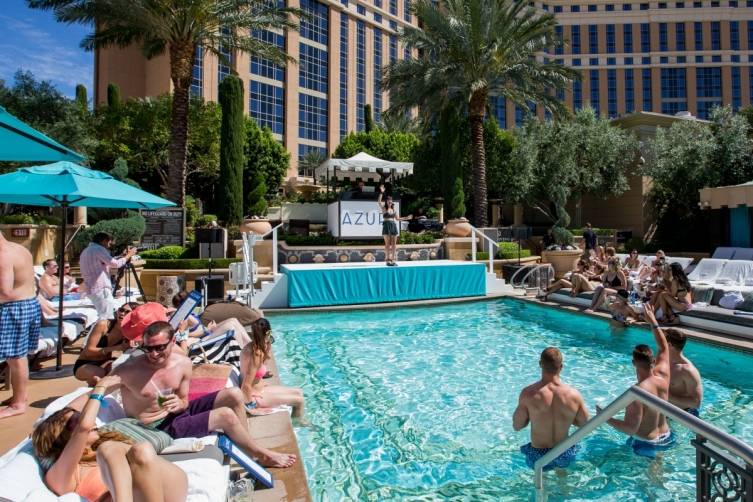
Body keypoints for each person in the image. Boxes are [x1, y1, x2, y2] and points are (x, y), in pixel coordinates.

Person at [111, 321, 296, 468]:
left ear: (173, 342)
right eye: (148, 348)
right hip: (158, 426)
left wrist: (180, 403)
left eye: (160, 347)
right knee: (225, 415)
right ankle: (261, 455)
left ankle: (247, 446)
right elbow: (100, 388)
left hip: (178, 414)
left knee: (234, 394)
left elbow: (184, 401)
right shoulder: (128, 370)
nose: (153, 354)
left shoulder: (182, 363)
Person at [32, 375, 188, 501]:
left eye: (81, 416)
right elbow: (84, 426)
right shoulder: (59, 475)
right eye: (75, 421)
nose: (90, 420)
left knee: (136, 449)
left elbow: (75, 415)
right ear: (59, 437)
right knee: (135, 450)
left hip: (171, 487)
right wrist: (100, 388)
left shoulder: (108, 452)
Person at [599, 303, 675, 458]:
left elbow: (630, 428)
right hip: (667, 436)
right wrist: (653, 321)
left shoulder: (637, 393)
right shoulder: (662, 377)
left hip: (646, 443)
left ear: (633, 363)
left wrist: (605, 417)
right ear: (653, 361)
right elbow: (664, 347)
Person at [513, 347, 589, 470]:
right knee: (563, 476)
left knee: (541, 479)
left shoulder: (528, 394)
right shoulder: (574, 395)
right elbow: (584, 424)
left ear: (540, 364)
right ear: (561, 366)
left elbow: (517, 426)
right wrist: (567, 418)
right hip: (565, 451)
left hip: (538, 453)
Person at [0, 229, 42, 419]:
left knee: (15, 358)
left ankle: (18, 404)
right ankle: (20, 397)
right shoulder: (19, 248)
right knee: (18, 356)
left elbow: (5, 293)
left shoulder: (2, 256)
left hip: (14, 308)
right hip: (29, 304)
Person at [79, 232, 137, 368]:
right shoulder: (98, 249)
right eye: (110, 242)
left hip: (93, 288)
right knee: (106, 318)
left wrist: (122, 256)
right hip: (100, 288)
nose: (110, 245)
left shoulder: (87, 251)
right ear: (104, 240)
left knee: (103, 316)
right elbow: (115, 264)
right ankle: (90, 344)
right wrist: (128, 255)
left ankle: (89, 343)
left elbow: (107, 262)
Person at [240, 318, 305, 419]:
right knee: (299, 401)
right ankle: (299, 423)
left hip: (259, 389)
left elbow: (254, 369)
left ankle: (297, 420)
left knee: (299, 392)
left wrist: (267, 347)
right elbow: (245, 386)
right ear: (268, 333)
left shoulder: (253, 346)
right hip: (254, 396)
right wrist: (252, 408)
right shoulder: (256, 353)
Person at [74, 302, 137, 385]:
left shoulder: (128, 331)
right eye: (121, 310)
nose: (122, 313)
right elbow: (88, 351)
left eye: (127, 312)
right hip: (85, 363)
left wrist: (130, 344)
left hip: (105, 362)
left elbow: (127, 354)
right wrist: (116, 348)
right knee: (100, 374)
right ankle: (93, 386)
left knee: (122, 371)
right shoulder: (104, 325)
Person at [664, 328, 703, 417]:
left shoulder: (687, 370)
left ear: (669, 345)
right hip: (664, 410)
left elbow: (696, 403)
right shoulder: (663, 361)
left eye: (661, 340)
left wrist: (667, 395)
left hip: (681, 415)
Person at [377, 185, 411, 266]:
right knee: (387, 244)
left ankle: (393, 259)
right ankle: (387, 259)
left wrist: (406, 217)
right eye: (388, 200)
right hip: (386, 225)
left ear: (392, 202)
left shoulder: (394, 210)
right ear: (386, 202)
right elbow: (379, 201)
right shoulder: (384, 208)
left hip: (393, 226)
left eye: (390, 200)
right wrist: (381, 192)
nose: (389, 201)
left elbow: (397, 219)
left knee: (394, 245)